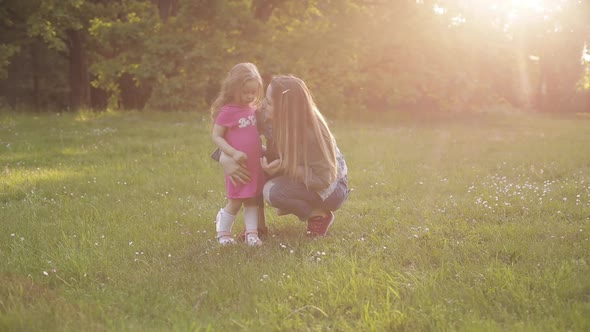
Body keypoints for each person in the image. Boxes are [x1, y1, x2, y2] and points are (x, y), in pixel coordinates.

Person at [219, 75, 349, 237]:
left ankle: (318, 215)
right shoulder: (266, 116)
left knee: (273, 192)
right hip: (294, 169)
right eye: (265, 97)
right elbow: (231, 135)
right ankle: (258, 229)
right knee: (251, 162)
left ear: (285, 111)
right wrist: (224, 157)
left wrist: (286, 166)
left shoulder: (312, 134)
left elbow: (323, 180)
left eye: (270, 102)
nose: (263, 104)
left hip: (331, 188)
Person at [210, 62, 265, 246]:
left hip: (253, 165)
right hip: (237, 165)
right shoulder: (227, 112)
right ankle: (223, 233)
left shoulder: (252, 109)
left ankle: (252, 233)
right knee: (235, 200)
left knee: (251, 200)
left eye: (253, 92)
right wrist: (232, 153)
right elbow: (216, 136)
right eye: (245, 92)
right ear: (233, 88)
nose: (250, 96)